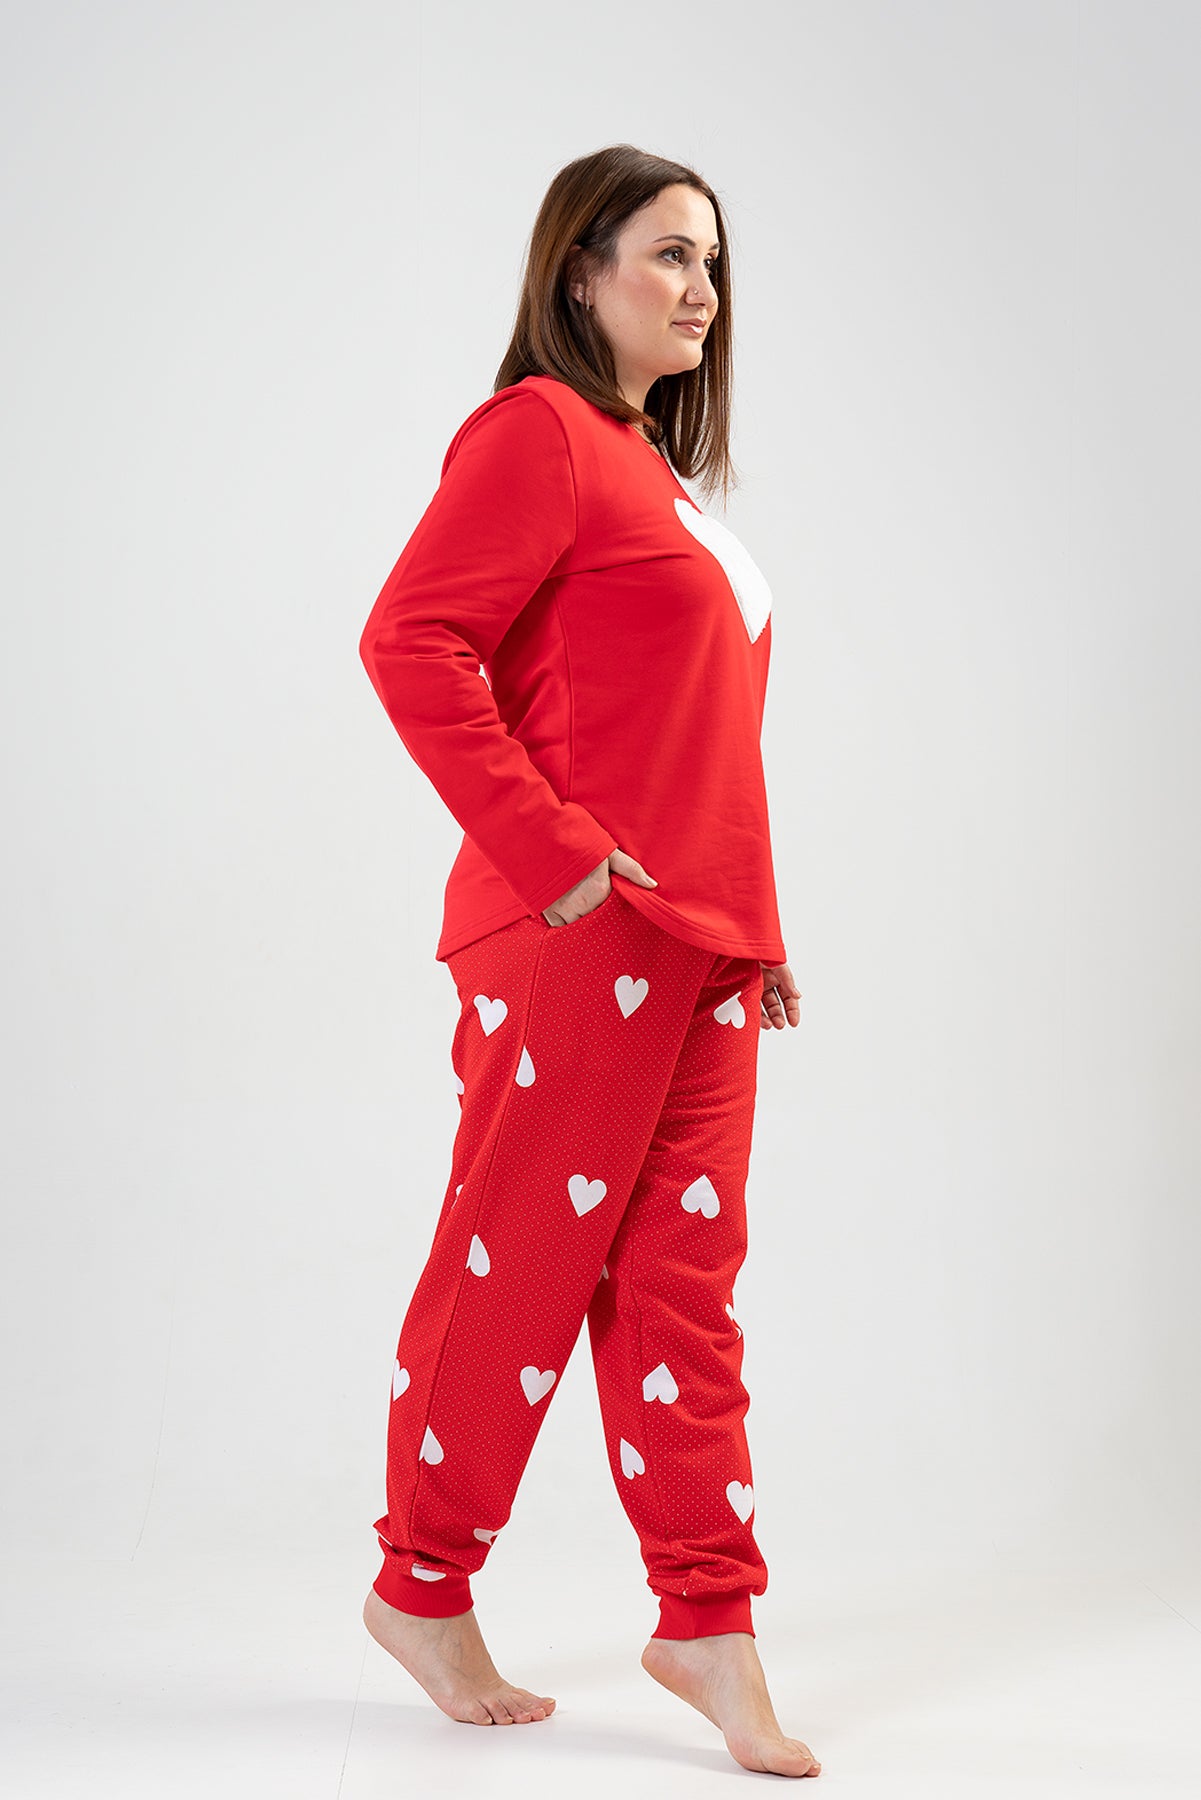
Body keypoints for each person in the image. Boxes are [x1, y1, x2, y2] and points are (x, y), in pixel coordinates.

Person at [356, 143, 821, 1780]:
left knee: (685, 1289)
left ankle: (706, 1618)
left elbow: (702, 741)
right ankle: (420, 1586)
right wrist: (553, 854)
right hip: (572, 934)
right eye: (668, 255)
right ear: (579, 270)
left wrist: (753, 929)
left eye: (714, 263)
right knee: (519, 1267)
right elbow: (410, 639)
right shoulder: (538, 433)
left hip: (694, 947)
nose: (701, 289)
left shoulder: (654, 478)